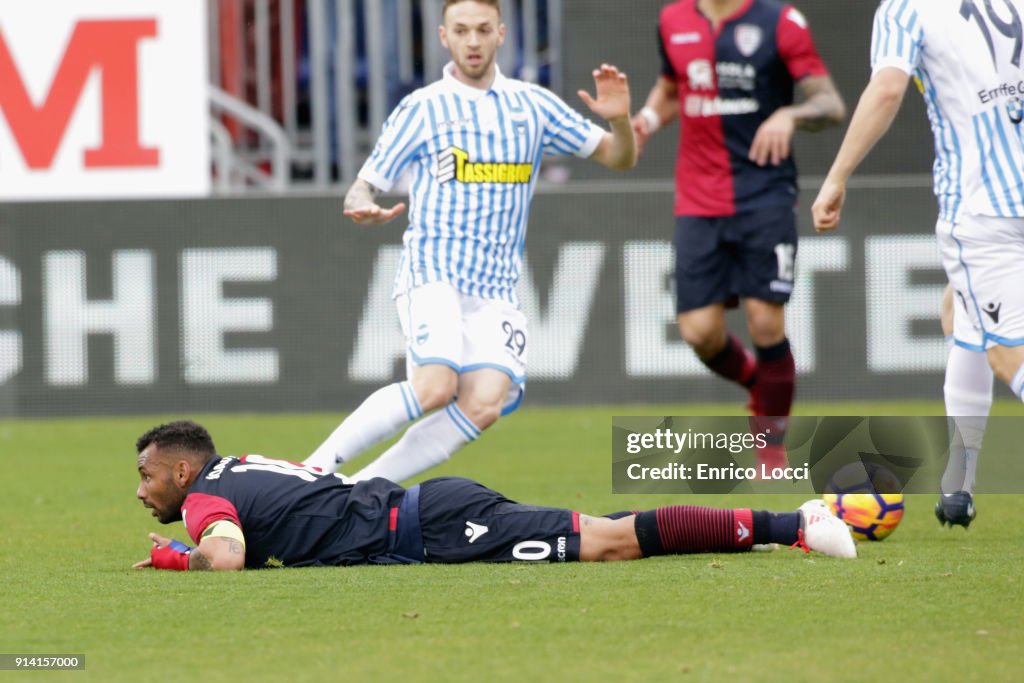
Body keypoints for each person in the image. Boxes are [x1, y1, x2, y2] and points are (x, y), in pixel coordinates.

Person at [303, 0, 637, 483]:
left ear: (501, 34)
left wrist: (621, 121)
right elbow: (366, 182)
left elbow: (619, 158)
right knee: (435, 386)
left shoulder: (533, 105)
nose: (473, 41)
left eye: (483, 30)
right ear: (444, 37)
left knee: (484, 402)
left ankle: (359, 492)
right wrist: (360, 202)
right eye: (462, 30)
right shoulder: (422, 107)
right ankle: (312, 471)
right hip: (434, 271)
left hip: (495, 289)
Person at [811, 0, 1024, 527]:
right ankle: (959, 486)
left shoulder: (905, 9)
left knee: (1008, 355)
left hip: (986, 209)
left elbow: (886, 88)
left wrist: (836, 176)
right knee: (961, 310)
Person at [132, 421, 856, 571]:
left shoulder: (205, 504)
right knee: (609, 531)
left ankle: (795, 521)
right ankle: (788, 520)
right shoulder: (241, 469)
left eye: (149, 475)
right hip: (430, 514)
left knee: (610, 542)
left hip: (441, 526)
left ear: (185, 474)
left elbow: (225, 558)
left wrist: (175, 560)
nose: (142, 490)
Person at [631, 0, 845, 470]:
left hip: (764, 194)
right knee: (700, 333)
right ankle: (758, 384)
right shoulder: (673, 20)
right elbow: (671, 88)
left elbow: (830, 103)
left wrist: (789, 116)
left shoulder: (780, 21)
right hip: (697, 200)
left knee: (765, 322)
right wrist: (645, 120)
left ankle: (770, 445)